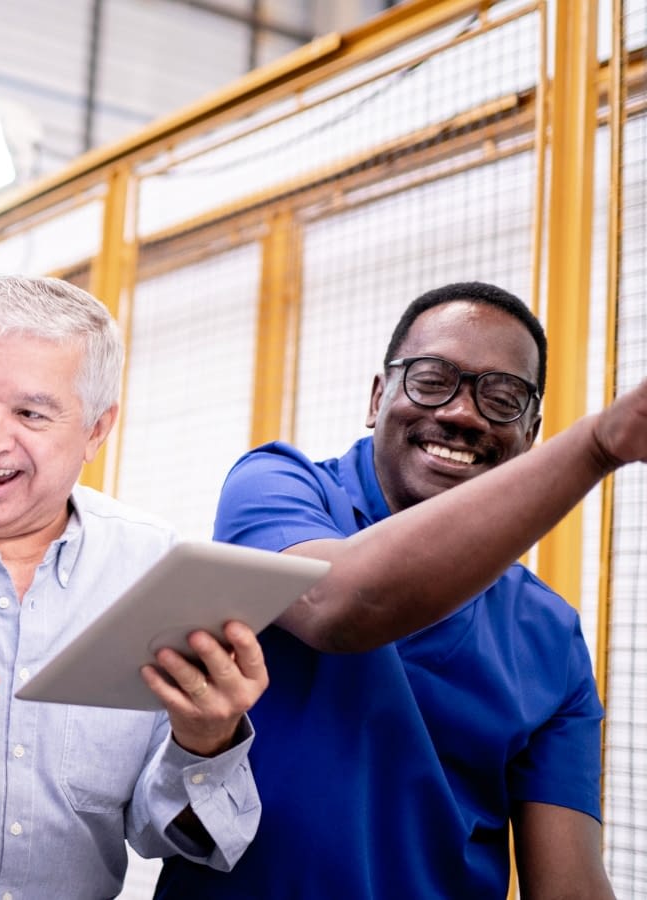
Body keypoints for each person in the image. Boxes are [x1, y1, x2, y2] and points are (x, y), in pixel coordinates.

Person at [157, 281, 628, 899]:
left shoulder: (548, 633)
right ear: (379, 397)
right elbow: (340, 606)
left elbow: (570, 886)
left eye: (503, 397)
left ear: (532, 431)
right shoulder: (280, 486)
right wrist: (597, 445)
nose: (462, 413)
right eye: (432, 380)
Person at [0, 275, 267, 899]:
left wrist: (205, 742)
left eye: (30, 413)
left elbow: (169, 837)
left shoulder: (153, 569)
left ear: (96, 430)